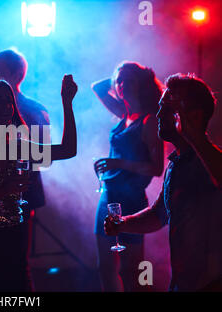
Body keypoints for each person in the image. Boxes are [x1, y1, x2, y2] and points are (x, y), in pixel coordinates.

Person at [0, 75, 77, 291]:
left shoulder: (19, 146)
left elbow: (68, 150)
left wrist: (67, 102)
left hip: (15, 244)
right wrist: (3, 190)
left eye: (8, 101)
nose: (5, 106)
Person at [105, 73, 222, 292]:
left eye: (167, 109)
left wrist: (194, 135)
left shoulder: (209, 162)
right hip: (182, 283)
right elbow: (159, 214)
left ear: (194, 116)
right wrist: (123, 222)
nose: (159, 114)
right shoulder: (177, 163)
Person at [91, 61, 164, 292]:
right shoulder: (124, 114)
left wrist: (118, 163)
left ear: (140, 84)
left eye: (127, 80)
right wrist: (121, 71)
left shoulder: (148, 120)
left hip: (131, 199)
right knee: (104, 266)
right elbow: (98, 87)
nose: (121, 85)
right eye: (119, 81)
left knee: (130, 269)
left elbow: (156, 168)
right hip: (108, 196)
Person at [0, 50, 50, 286]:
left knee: (16, 262)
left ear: (16, 74)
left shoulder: (34, 110)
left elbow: (45, 158)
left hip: (22, 194)